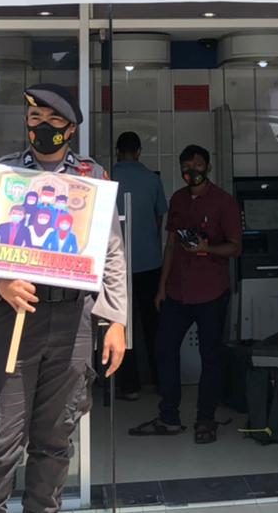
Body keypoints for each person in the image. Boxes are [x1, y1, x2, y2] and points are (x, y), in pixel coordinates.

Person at [0, 84, 127, 513]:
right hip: (15, 317)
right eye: (35, 119)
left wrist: (116, 321)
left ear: (70, 128)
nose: (43, 128)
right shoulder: (4, 175)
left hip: (74, 320)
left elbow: (112, 252)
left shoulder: (91, 179)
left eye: (53, 121)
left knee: (55, 441)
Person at [130, 145, 242, 444]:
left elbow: (235, 247)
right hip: (177, 291)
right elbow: (170, 245)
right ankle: (169, 417)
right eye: (186, 166)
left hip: (211, 292)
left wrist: (207, 248)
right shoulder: (178, 199)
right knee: (164, 349)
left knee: (211, 357)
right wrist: (162, 287)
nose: (192, 171)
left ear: (208, 167)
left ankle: (206, 419)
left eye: (198, 165)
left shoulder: (224, 202)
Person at [112, 130, 169, 401]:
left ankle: (129, 386)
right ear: (138, 152)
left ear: (117, 151)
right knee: (153, 325)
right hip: (149, 263)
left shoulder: (107, 178)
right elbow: (160, 221)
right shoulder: (152, 180)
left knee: (120, 326)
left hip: (116, 266)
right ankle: (160, 380)